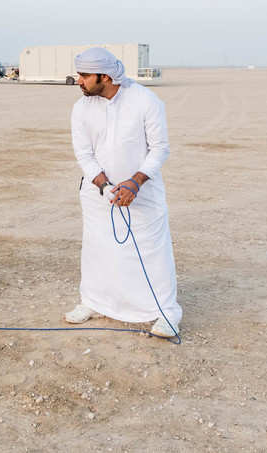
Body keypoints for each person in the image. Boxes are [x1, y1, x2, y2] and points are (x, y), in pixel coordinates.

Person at [66, 47, 182, 337]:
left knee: (153, 253)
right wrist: (104, 185)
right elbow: (83, 153)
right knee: (97, 250)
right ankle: (93, 302)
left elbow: (160, 149)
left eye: (84, 76)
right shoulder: (81, 107)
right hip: (97, 194)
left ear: (104, 76)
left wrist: (134, 182)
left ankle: (166, 313)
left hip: (143, 194)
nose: (78, 81)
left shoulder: (145, 101)